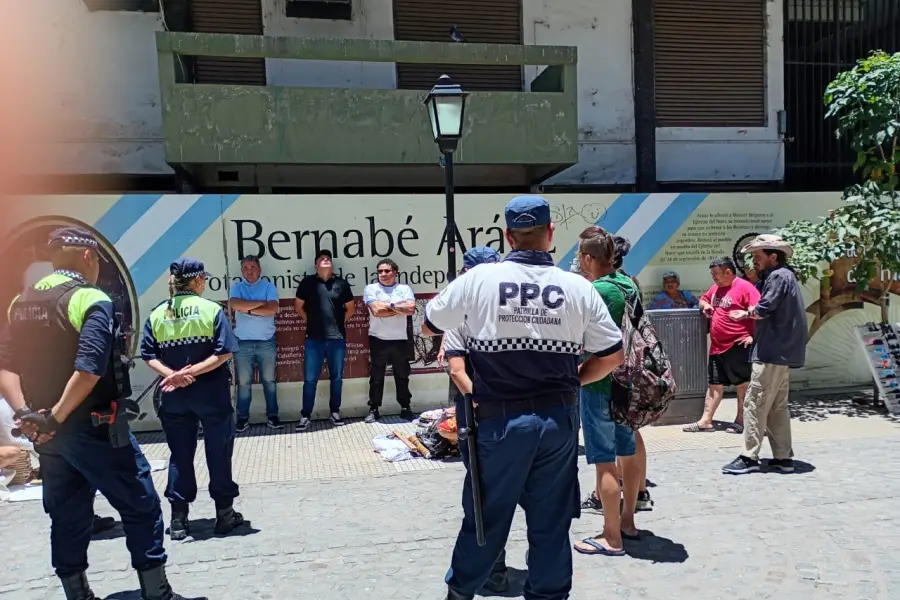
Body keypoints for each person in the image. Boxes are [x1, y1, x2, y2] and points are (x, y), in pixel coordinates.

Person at [422, 196, 625, 600]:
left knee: (486, 517)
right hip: (558, 421)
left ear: (507, 236)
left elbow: (430, 325)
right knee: (551, 522)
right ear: (551, 234)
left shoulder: (479, 280)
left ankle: (461, 592)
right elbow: (612, 355)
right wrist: (574, 382)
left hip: (498, 422)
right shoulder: (577, 288)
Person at [0, 227, 199, 600]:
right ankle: (157, 593)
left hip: (49, 435)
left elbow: (6, 367)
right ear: (88, 257)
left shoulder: (21, 302)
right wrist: (56, 417)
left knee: (68, 514)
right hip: (93, 429)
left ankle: (78, 593)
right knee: (141, 505)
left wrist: (29, 415)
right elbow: (89, 369)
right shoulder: (90, 298)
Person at [141, 258, 245, 541]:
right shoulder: (212, 310)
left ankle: (178, 520)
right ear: (198, 281)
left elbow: (148, 354)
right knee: (218, 453)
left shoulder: (158, 313)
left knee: (180, 456)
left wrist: (174, 376)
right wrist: (194, 372)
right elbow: (224, 352)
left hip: (174, 398)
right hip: (212, 394)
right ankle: (224, 515)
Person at [441, 246, 509, 594]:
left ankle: (490, 570)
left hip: (479, 409)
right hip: (515, 409)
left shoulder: (461, 307)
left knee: (483, 493)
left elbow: (456, 370)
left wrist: (480, 402)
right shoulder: (511, 304)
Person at [572, 227, 642, 557]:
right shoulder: (628, 284)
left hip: (600, 382)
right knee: (627, 451)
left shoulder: (596, 290)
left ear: (587, 258)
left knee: (603, 462)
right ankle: (628, 521)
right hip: (629, 383)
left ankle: (611, 537)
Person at [723, 235, 807, 475]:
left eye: (758, 257)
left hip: (771, 352)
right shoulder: (783, 276)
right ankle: (783, 457)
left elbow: (764, 308)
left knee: (755, 402)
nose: (754, 261)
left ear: (773, 256)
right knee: (777, 406)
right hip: (780, 351)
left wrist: (744, 314)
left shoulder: (779, 276)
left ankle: (749, 456)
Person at [683, 257, 760, 434]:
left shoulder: (745, 287)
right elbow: (702, 299)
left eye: (716, 274)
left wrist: (753, 338)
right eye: (712, 274)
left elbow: (759, 312)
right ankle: (706, 421)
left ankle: (741, 420)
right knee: (714, 384)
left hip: (738, 344)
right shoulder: (716, 288)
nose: (713, 277)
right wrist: (706, 306)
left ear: (728, 272)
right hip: (718, 347)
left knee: (743, 385)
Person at [294, 249, 355, 429]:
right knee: (310, 379)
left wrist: (337, 324)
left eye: (328, 258)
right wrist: (312, 322)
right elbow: (298, 307)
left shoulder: (341, 284)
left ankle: (334, 412)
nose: (326, 259)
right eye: (321, 258)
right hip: (314, 339)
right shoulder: (307, 283)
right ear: (316, 265)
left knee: (336, 377)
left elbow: (351, 308)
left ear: (332, 264)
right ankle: (305, 415)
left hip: (337, 339)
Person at [230, 255, 281, 432]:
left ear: (259, 269)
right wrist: (260, 305)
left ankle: (273, 416)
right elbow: (235, 304)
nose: (249, 270)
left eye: (252, 267)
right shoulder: (237, 287)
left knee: (269, 380)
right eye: (245, 268)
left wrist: (248, 309)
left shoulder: (268, 286)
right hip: (242, 343)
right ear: (242, 271)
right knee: (243, 383)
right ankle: (242, 418)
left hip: (266, 342)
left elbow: (272, 309)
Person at [363, 259, 416, 423]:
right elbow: (377, 311)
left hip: (400, 340)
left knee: (402, 376)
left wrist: (389, 305)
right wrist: (398, 307)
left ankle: (405, 408)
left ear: (395, 272)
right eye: (380, 271)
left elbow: (411, 309)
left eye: (387, 271)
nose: (383, 274)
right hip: (378, 339)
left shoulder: (404, 289)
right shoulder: (371, 289)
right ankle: (374, 409)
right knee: (376, 377)